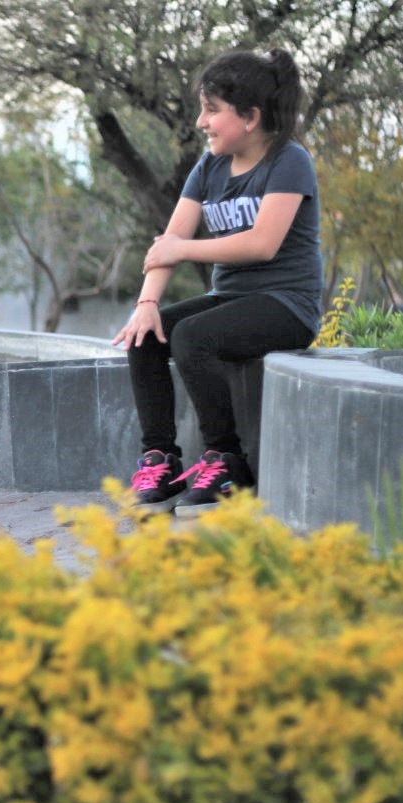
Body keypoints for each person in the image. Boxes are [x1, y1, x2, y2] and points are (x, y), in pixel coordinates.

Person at [112, 47, 321, 516]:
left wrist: (181, 249)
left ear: (249, 117)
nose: (202, 122)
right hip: (231, 297)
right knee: (148, 336)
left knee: (192, 337)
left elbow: (262, 244)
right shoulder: (209, 167)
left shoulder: (289, 161)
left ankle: (227, 461)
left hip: (287, 304)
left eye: (212, 111)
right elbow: (172, 238)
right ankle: (161, 460)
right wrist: (147, 301)